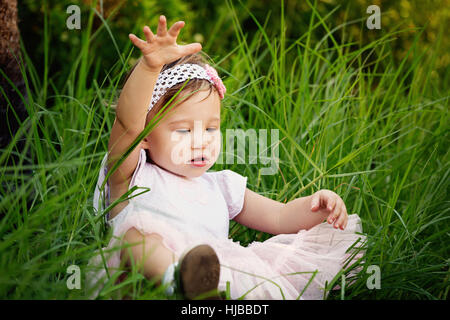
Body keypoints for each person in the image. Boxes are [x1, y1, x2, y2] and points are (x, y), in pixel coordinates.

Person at [87, 15, 366, 300]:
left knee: (244, 274)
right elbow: (127, 124)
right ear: (144, 136)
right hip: (140, 280)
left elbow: (280, 216)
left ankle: (202, 287)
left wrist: (316, 206)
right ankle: (177, 279)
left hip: (214, 273)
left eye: (210, 128)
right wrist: (149, 68)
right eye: (183, 130)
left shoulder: (221, 186)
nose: (201, 140)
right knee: (136, 238)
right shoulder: (133, 175)